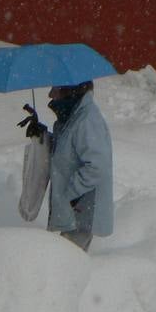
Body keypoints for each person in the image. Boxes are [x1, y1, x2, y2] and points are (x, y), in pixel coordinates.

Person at [19, 81, 113, 250]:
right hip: (74, 210)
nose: (50, 95)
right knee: (64, 259)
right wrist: (42, 135)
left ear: (70, 90)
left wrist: (70, 193)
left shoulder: (87, 120)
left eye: (55, 89)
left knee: (66, 263)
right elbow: (66, 152)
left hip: (83, 210)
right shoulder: (71, 117)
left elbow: (97, 165)